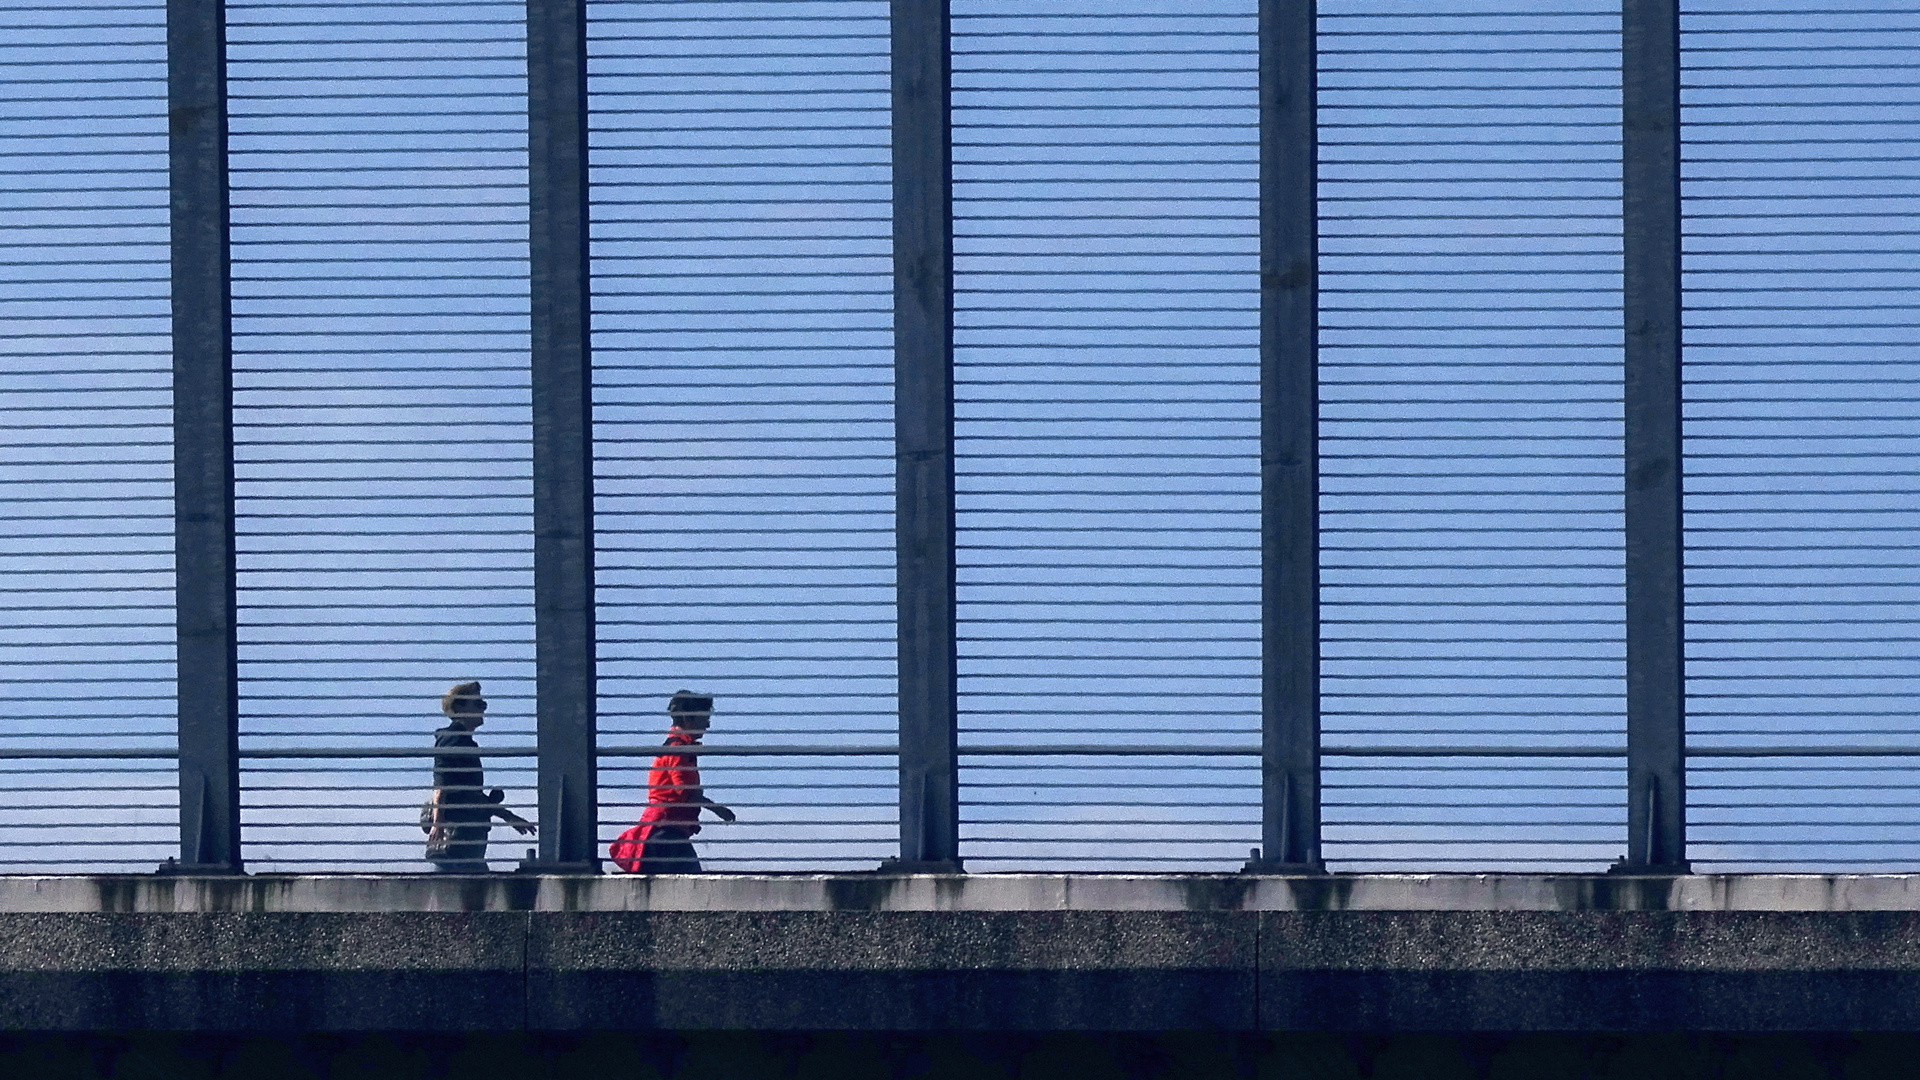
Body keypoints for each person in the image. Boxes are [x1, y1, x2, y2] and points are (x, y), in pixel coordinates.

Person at [609, 690, 735, 873]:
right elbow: (685, 792)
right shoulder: (678, 750)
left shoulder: (678, 748)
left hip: (663, 831)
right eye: (704, 718)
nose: (708, 724)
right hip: (665, 834)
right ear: (688, 719)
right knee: (693, 887)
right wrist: (717, 809)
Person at [422, 681, 534, 873]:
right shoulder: (454, 739)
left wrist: (508, 816)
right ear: (459, 708)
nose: (483, 709)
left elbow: (472, 796)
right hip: (458, 843)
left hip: (466, 842)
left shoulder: (461, 741)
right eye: (478, 704)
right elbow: (442, 783)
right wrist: (438, 823)